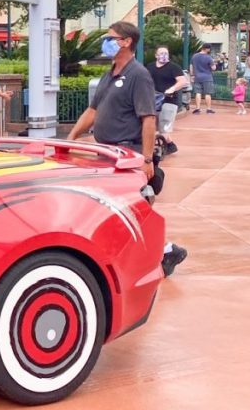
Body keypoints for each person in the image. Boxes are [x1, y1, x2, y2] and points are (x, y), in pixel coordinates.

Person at [68, 22, 188, 276]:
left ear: (126, 42)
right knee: (118, 211)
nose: (106, 42)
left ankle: (165, 251)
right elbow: (93, 110)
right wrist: (72, 137)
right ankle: (162, 252)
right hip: (106, 153)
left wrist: (146, 159)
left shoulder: (138, 75)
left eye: (111, 38)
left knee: (127, 210)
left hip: (127, 154)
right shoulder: (109, 74)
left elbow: (148, 118)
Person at [149, 46, 189, 154]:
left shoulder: (174, 67)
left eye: (166, 53)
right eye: (161, 53)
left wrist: (172, 89)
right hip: (154, 100)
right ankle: (170, 145)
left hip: (169, 100)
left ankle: (164, 147)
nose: (163, 56)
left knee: (164, 127)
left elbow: (182, 81)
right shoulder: (150, 67)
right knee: (153, 127)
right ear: (156, 55)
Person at [189, 44, 216, 114]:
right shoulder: (208, 57)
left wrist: (192, 75)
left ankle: (197, 108)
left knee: (198, 93)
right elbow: (213, 68)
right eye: (209, 49)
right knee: (208, 93)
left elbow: (191, 66)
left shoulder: (194, 56)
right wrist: (214, 64)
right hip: (207, 77)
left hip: (197, 77)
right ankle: (208, 109)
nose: (210, 50)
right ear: (207, 49)